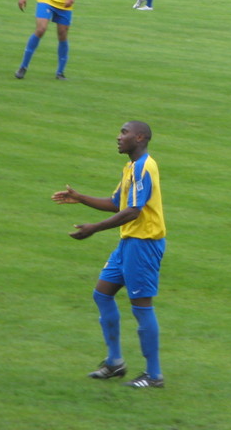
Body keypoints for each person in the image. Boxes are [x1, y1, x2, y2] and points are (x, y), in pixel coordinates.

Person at [52, 121, 166, 389]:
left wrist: (94, 229)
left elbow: (133, 211)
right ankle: (115, 362)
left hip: (144, 244)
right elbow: (117, 203)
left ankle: (154, 375)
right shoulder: (130, 168)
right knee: (102, 294)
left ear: (139, 137)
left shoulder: (143, 168)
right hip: (129, 242)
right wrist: (80, 197)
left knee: (141, 307)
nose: (118, 137)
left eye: (124, 133)